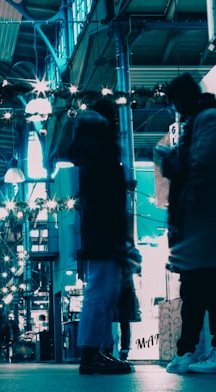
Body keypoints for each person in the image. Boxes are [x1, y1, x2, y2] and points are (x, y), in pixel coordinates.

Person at [158, 73, 216, 374]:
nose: (175, 109)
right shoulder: (197, 123)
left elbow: (200, 165)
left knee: (208, 286)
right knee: (195, 288)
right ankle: (191, 350)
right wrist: (172, 160)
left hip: (206, 221)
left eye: (175, 102)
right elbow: (190, 165)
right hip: (199, 223)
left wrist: (175, 166)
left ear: (183, 99)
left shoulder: (209, 120)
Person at [65, 98, 132, 375]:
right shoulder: (97, 145)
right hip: (103, 227)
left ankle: (100, 350)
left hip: (101, 226)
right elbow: (102, 191)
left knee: (105, 292)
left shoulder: (92, 143)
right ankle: (92, 353)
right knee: (100, 291)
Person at [114, 241, 142, 361]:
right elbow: (137, 265)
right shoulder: (129, 251)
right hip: (123, 288)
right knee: (124, 323)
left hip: (118, 288)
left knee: (121, 322)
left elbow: (137, 265)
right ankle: (122, 352)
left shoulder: (124, 250)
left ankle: (120, 351)